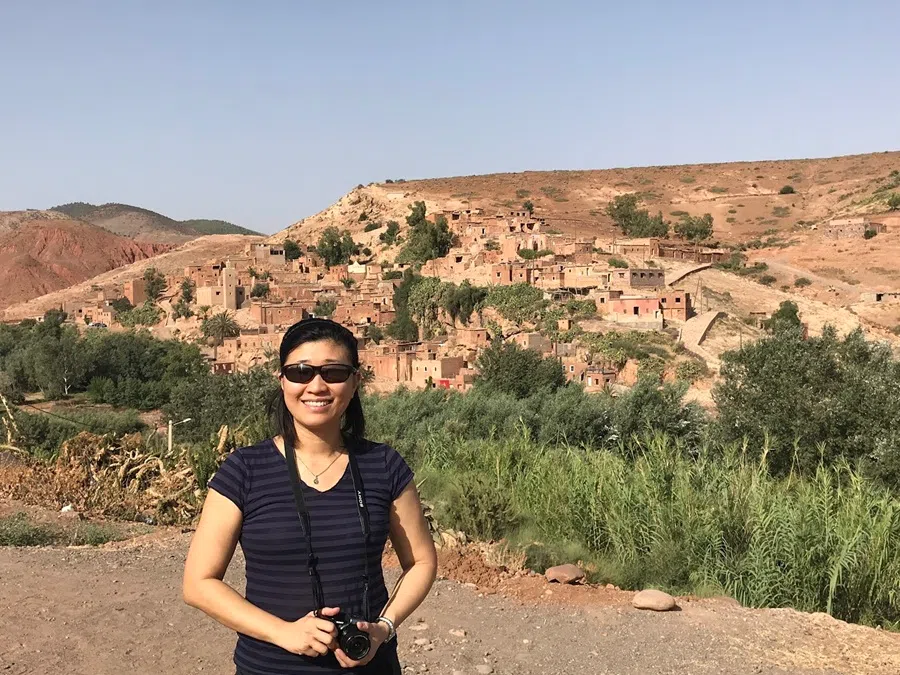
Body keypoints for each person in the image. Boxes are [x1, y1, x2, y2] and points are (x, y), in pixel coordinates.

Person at [183, 317, 437, 674]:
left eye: (333, 373)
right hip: (269, 667)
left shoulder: (384, 465)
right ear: (282, 381)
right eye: (301, 372)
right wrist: (284, 633)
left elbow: (422, 562)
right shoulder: (244, 470)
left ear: (355, 382)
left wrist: (384, 628)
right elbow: (198, 583)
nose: (316, 386)